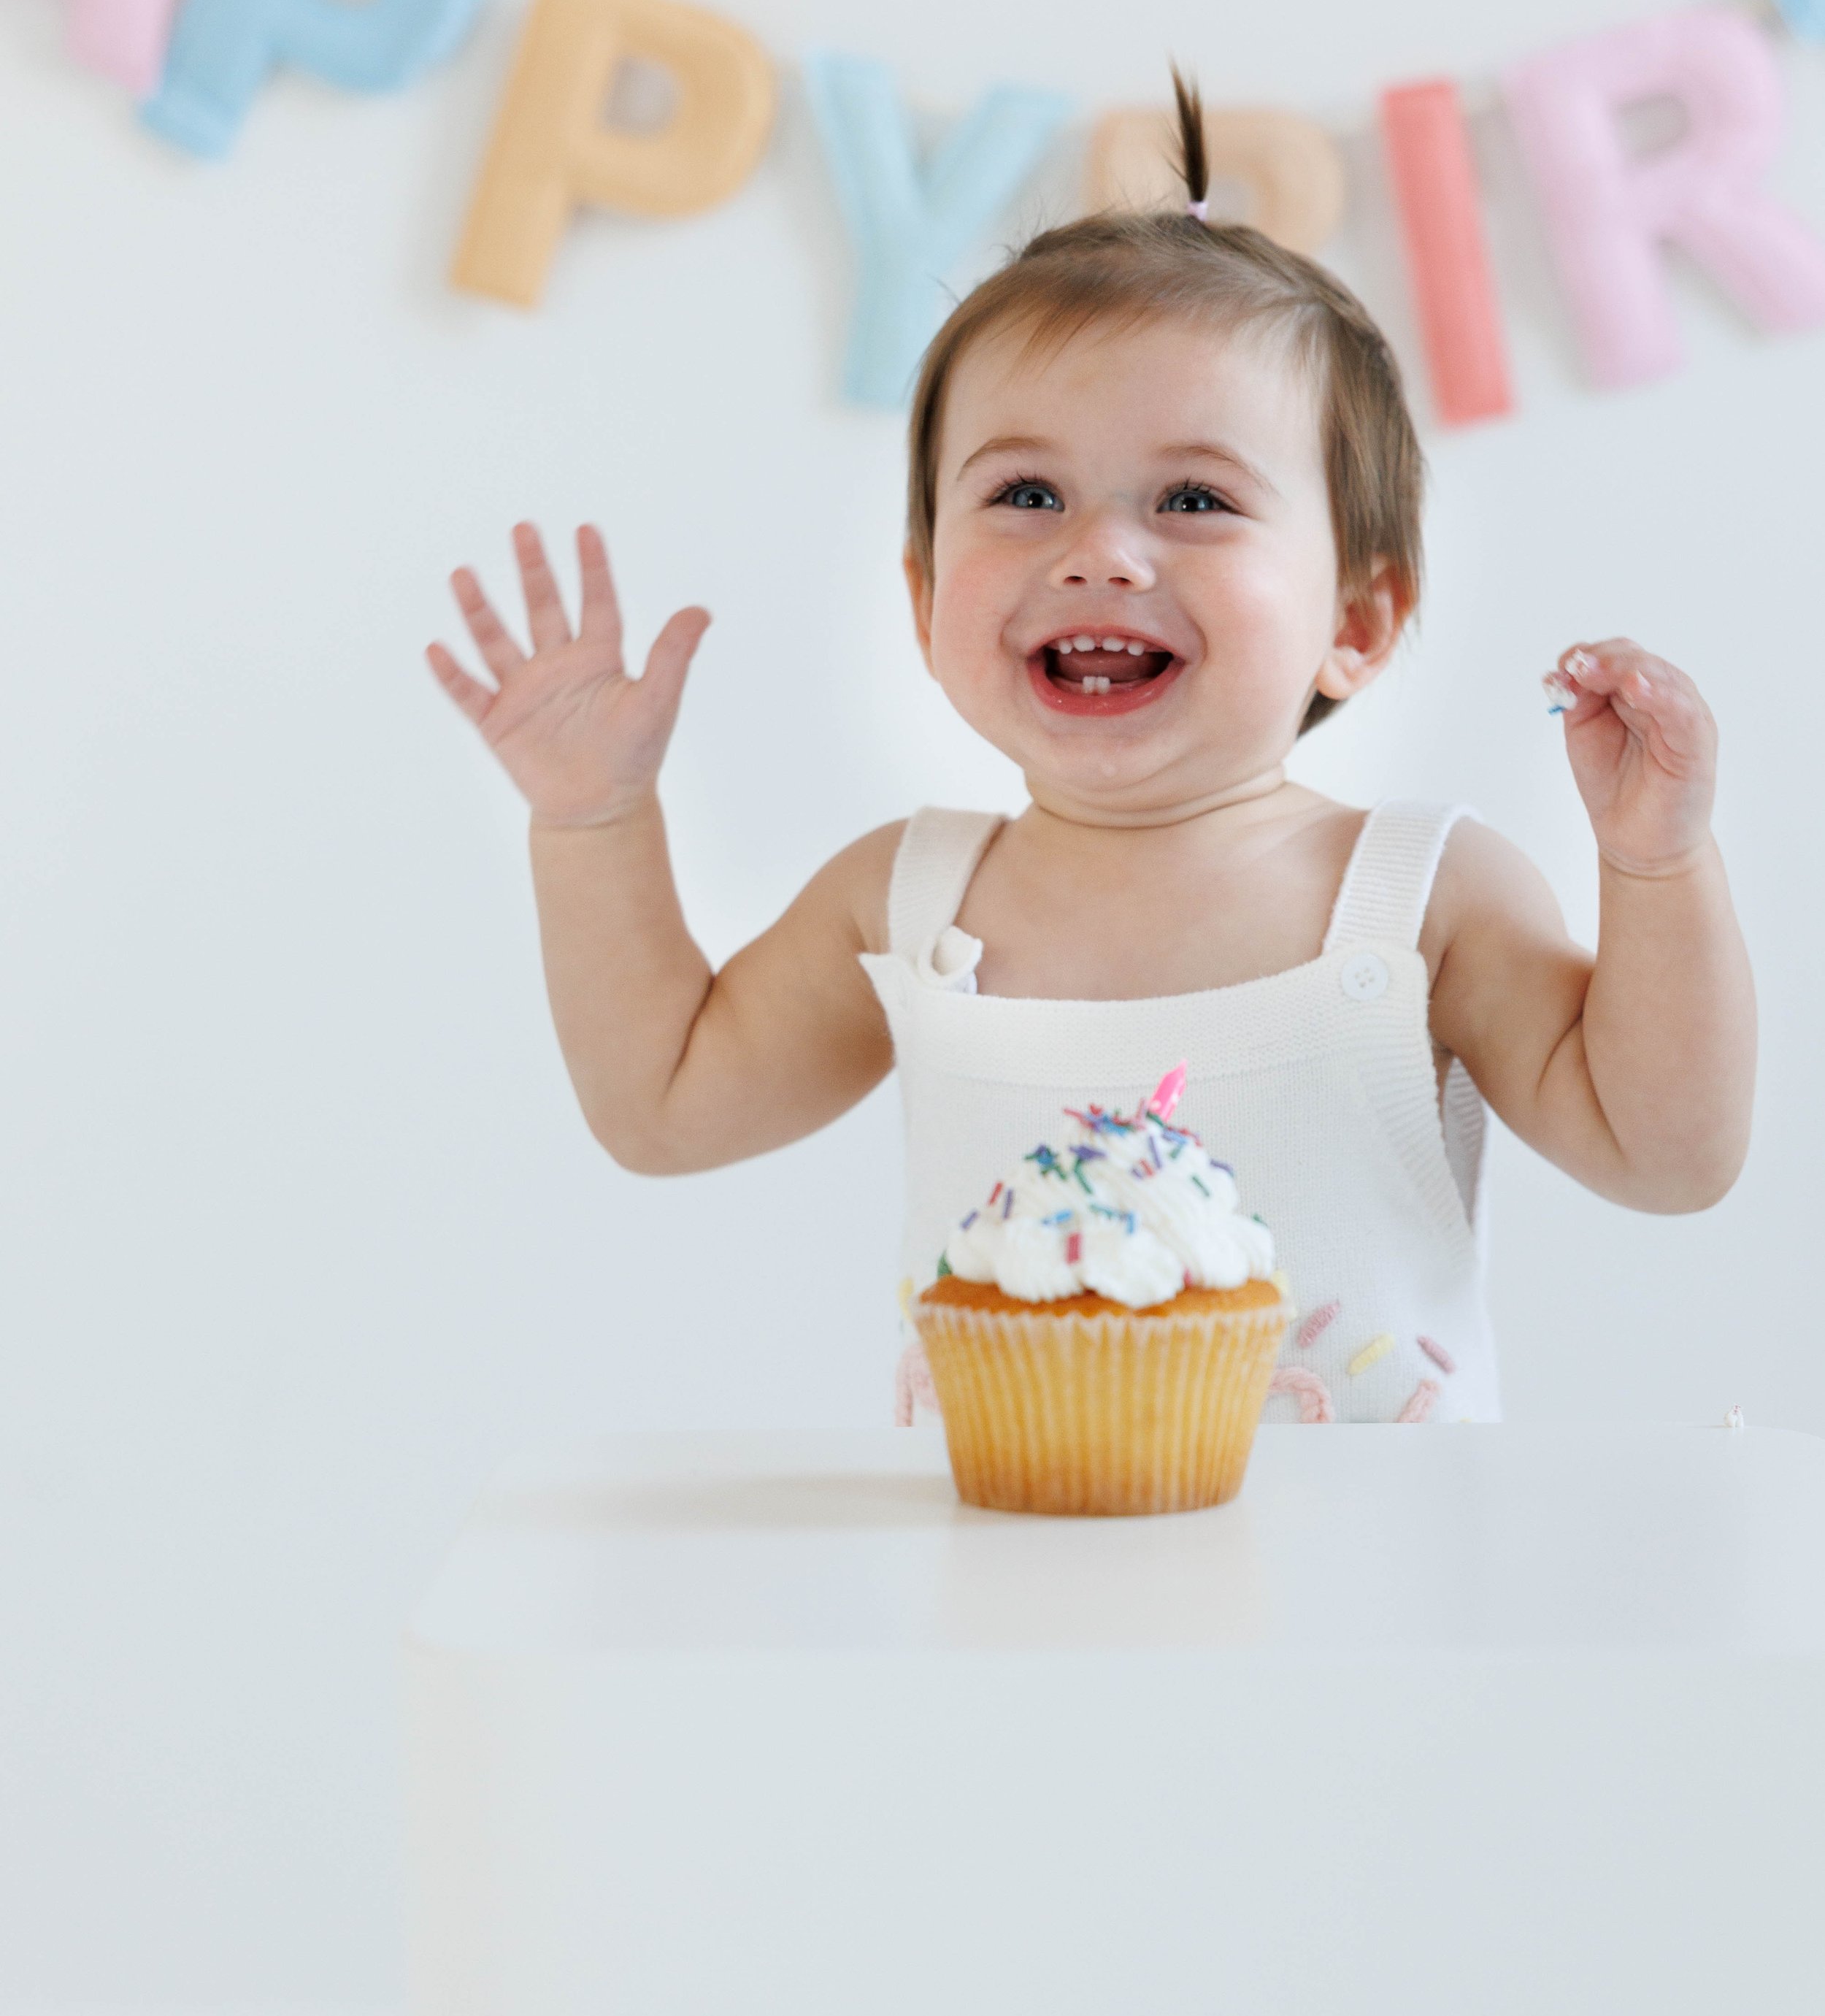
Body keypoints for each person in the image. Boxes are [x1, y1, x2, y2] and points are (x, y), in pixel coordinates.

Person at [426, 75, 1753, 1423]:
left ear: (1356, 620)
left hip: (1374, 1611)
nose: (1098, 552)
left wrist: (1657, 867)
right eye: (1025, 493)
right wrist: (595, 825)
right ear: (924, 592)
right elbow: (664, 1106)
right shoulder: (907, 900)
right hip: (1002, 1615)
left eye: (1193, 498)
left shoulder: (1422, 899)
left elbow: (1666, 1155)